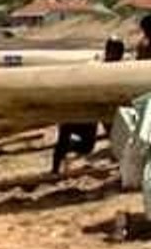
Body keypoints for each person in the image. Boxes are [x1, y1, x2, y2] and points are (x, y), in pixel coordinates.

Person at [51, 37, 125, 176]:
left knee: (86, 146)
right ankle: (55, 169)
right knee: (67, 133)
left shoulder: (113, 68)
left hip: (89, 110)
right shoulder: (98, 67)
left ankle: (60, 156)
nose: (120, 56)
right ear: (109, 51)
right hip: (79, 106)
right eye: (118, 52)